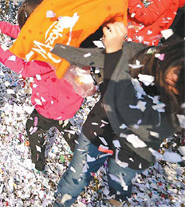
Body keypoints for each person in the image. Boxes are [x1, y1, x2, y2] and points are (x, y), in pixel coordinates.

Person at [53, 23, 184, 207]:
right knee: (76, 176)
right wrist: (52, 47)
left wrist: (115, 54)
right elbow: (95, 57)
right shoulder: (145, 55)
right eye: (180, 71)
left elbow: (130, 113)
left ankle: (117, 199)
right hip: (100, 127)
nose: (179, 83)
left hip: (136, 150)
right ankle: (61, 202)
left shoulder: (178, 111)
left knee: (119, 180)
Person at [0, 0, 83, 171]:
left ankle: (38, 160)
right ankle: (79, 150)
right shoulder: (60, 33)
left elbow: (25, 68)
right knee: (64, 123)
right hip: (68, 100)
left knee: (34, 126)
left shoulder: (48, 54)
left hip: (50, 104)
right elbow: (24, 34)